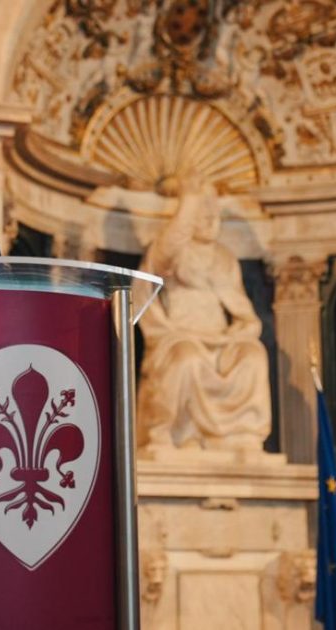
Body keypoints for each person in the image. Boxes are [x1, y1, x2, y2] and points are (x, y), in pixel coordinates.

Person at [136, 179, 271, 450]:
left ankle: (241, 434)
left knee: (253, 356)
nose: (211, 220)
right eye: (203, 214)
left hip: (221, 339)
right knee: (187, 359)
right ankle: (179, 434)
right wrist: (189, 198)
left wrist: (242, 330)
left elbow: (244, 313)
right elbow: (166, 250)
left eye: (215, 214)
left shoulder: (225, 258)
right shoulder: (172, 250)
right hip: (178, 336)